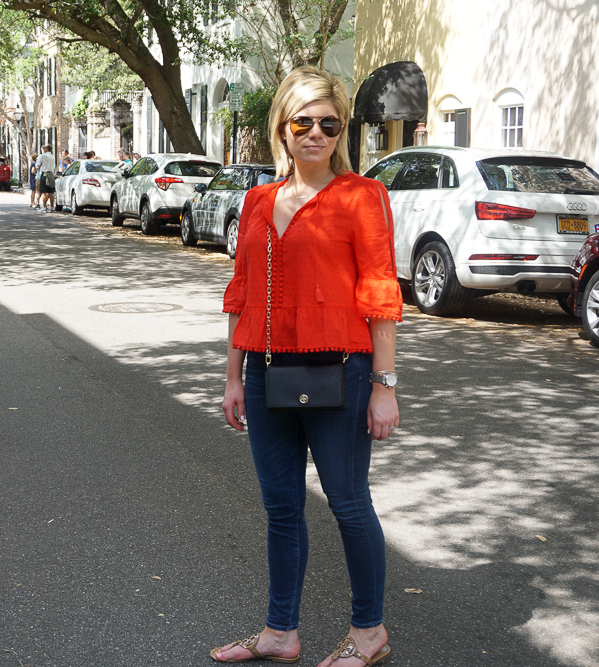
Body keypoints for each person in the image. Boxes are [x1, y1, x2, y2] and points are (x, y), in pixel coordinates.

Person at [214, 66, 401, 667]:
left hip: (342, 372)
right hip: (269, 371)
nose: (315, 133)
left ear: (341, 131)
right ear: (282, 128)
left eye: (329, 123)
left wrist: (384, 386)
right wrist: (233, 376)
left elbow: (379, 292)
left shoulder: (362, 197)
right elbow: (242, 291)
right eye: (303, 121)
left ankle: (369, 633)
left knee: (348, 503)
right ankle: (279, 632)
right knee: (281, 508)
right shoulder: (258, 201)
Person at [35, 145, 56, 212]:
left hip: (44, 174)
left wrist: (38, 166)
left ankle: (44, 207)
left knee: (44, 192)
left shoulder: (43, 156)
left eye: (45, 148)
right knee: (51, 192)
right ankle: (52, 207)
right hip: (51, 174)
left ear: (47, 149)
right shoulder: (52, 156)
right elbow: (53, 166)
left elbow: (38, 165)